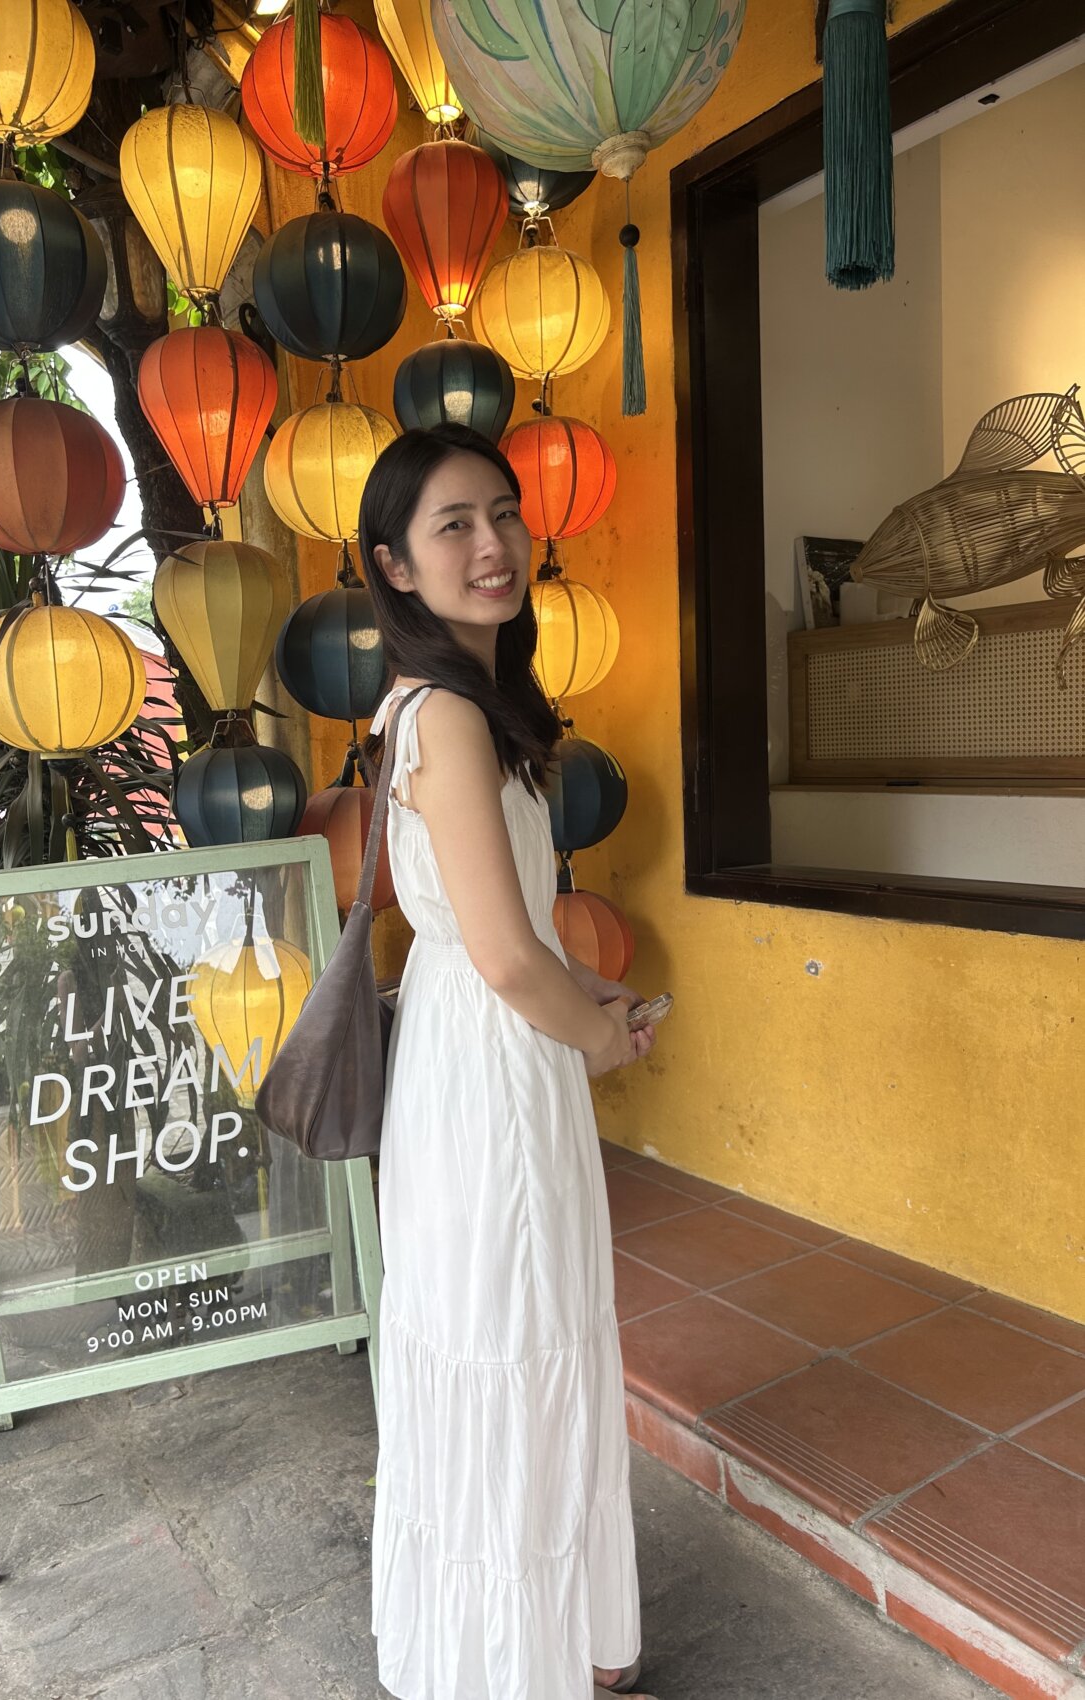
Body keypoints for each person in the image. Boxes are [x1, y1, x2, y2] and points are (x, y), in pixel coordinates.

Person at [358, 423, 659, 1700]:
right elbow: (499, 951)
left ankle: (539, 1640)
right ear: (394, 564)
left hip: (477, 1043)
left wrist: (587, 992)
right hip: (492, 1068)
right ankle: (515, 1665)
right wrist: (596, 1035)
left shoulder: (448, 706)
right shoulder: (449, 717)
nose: (492, 544)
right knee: (517, 1330)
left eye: (504, 513)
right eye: (453, 525)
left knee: (514, 1329)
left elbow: (505, 931)